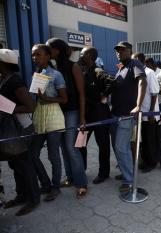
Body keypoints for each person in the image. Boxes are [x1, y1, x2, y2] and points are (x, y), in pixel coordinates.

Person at [46, 38, 88, 198]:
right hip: (57, 112)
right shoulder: (50, 68)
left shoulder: (73, 66)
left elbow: (81, 93)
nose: (48, 52)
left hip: (72, 111)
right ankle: (70, 178)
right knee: (64, 147)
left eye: (50, 49)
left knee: (71, 148)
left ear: (58, 50)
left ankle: (81, 183)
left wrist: (82, 117)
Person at [0, 49, 40, 216]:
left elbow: (31, 106)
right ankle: (21, 195)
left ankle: (33, 199)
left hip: (22, 128)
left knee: (24, 163)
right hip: (10, 128)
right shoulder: (4, 79)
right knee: (14, 163)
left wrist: (7, 108)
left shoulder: (15, 81)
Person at [107, 41, 147, 192]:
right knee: (119, 148)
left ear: (129, 51)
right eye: (117, 50)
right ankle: (126, 173)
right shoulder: (121, 68)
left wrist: (138, 105)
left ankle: (129, 180)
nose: (118, 52)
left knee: (121, 147)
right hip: (115, 114)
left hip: (126, 115)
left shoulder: (134, 63)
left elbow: (142, 82)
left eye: (122, 50)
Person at [31, 44, 67, 201]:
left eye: (38, 54)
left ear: (47, 56)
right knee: (32, 154)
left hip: (54, 116)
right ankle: (45, 184)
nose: (35, 58)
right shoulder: (37, 73)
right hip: (39, 115)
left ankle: (56, 187)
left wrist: (46, 98)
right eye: (33, 55)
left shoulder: (56, 74)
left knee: (53, 155)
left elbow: (64, 99)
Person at [78, 47, 111, 184]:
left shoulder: (98, 71)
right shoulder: (83, 71)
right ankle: (81, 169)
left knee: (103, 145)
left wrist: (104, 95)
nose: (80, 56)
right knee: (80, 143)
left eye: (82, 54)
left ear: (90, 55)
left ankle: (103, 173)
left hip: (100, 115)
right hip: (86, 115)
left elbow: (112, 81)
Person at [132, 53, 159, 173]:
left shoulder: (150, 73)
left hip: (149, 114)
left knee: (149, 140)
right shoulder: (136, 72)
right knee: (142, 140)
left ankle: (151, 163)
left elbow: (154, 93)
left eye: (133, 60)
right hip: (140, 114)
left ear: (139, 60)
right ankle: (144, 160)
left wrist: (152, 112)